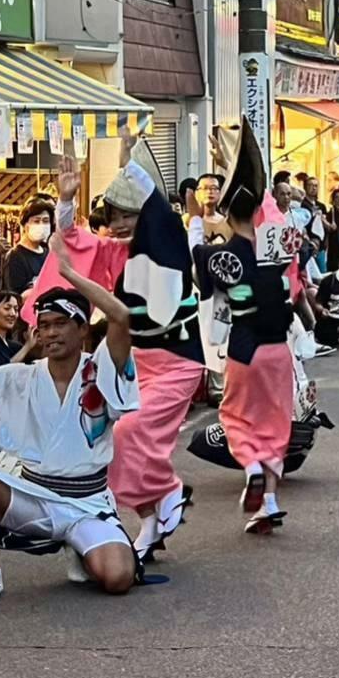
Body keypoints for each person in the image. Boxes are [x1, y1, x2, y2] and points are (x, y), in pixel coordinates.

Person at [0, 251, 141, 605]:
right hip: (34, 497)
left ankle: (82, 545)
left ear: (82, 328)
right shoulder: (21, 377)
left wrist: (71, 274)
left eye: (60, 323)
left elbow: (121, 316)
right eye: (44, 326)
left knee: (118, 577)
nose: (50, 333)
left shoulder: (101, 370)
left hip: (88, 502)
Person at [28, 142, 206, 562]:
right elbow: (71, 240)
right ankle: (152, 516)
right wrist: (67, 199)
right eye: (114, 217)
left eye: (128, 214)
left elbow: (159, 208)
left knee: (132, 435)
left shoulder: (167, 242)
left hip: (178, 362)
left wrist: (133, 164)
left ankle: (167, 494)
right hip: (135, 363)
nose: (120, 223)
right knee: (106, 440)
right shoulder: (115, 253)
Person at [194, 119, 298, 534]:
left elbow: (202, 274)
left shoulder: (218, 255)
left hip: (243, 345)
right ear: (259, 208)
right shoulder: (279, 244)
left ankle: (252, 466)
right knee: (277, 423)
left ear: (224, 210)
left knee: (237, 417)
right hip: (279, 347)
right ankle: (269, 500)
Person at [2, 198, 54, 300]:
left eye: (45, 221)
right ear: (25, 225)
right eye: (36, 221)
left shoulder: (48, 253)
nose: (42, 225)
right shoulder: (15, 256)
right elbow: (14, 298)